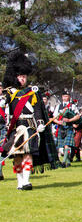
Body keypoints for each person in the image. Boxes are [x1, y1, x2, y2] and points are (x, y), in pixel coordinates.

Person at [0, 51, 59, 190]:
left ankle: (26, 181)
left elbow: (38, 110)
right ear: (15, 77)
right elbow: (4, 103)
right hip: (15, 127)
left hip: (30, 126)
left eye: (24, 77)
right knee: (17, 157)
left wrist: (40, 123)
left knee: (28, 154)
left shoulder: (32, 92)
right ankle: (20, 181)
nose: (23, 79)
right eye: (20, 77)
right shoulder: (9, 92)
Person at [52, 89, 80, 167]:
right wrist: (58, 122)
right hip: (61, 127)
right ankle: (68, 162)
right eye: (64, 96)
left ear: (69, 97)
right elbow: (54, 117)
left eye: (67, 96)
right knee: (63, 145)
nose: (65, 98)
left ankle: (63, 162)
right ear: (62, 97)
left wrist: (70, 120)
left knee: (66, 145)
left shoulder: (72, 106)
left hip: (69, 126)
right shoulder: (58, 106)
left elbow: (78, 116)